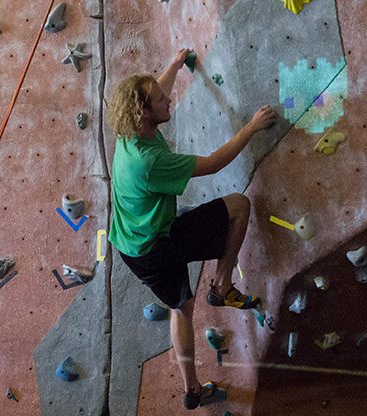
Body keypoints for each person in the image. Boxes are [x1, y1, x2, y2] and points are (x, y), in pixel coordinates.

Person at [106, 48, 276, 410]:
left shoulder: (126, 132)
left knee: (181, 307)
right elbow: (213, 164)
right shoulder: (152, 161)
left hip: (129, 245)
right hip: (158, 242)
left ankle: (193, 390)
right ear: (144, 113)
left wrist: (174, 66)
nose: (168, 101)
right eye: (160, 100)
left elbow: (152, 94)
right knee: (238, 206)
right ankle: (223, 284)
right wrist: (252, 126)